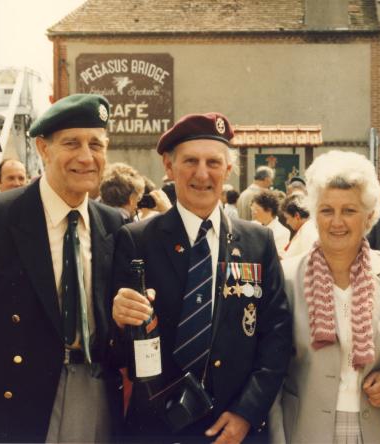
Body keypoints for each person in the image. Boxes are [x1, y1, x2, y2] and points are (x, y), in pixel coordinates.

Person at [111, 112, 292, 443]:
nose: (202, 174)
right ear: (169, 167)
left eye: (213, 162)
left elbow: (277, 337)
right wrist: (119, 321)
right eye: (190, 161)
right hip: (157, 427)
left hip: (233, 428)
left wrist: (246, 413)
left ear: (228, 169)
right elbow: (116, 349)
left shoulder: (257, 241)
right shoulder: (137, 240)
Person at [0, 94, 124, 442]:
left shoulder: (114, 223)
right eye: (71, 143)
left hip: (96, 386)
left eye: (96, 144)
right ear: (43, 149)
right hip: (18, 393)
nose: (86, 156)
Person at [270, 150, 380, 443]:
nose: (336, 222)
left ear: (368, 217)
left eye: (349, 211)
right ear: (315, 215)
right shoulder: (286, 278)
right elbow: (271, 374)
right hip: (304, 430)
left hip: (373, 430)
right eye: (327, 210)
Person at [251, 190, 291, 257]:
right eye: (252, 209)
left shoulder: (282, 232)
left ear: (269, 210)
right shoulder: (251, 225)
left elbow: (278, 258)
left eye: (256, 210)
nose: (253, 213)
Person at [280, 193, 318, 259]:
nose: (287, 222)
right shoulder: (306, 228)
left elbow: (310, 261)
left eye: (287, 218)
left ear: (297, 216)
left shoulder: (309, 231)